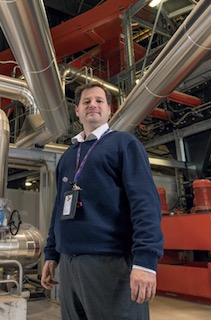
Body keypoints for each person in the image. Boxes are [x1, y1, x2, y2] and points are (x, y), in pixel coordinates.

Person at [41, 82, 164, 320]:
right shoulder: (68, 156)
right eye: (86, 102)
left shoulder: (124, 144)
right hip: (68, 264)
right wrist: (52, 253)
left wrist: (146, 261)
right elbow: (59, 208)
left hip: (110, 263)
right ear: (77, 111)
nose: (93, 105)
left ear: (109, 109)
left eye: (99, 101)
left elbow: (145, 204)